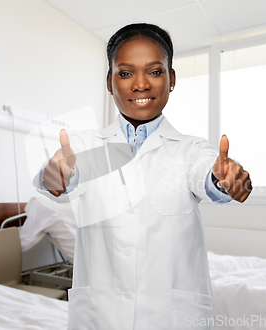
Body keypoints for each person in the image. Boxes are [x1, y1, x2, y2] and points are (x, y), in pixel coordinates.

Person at [38, 23, 252, 330]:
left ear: (171, 79)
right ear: (109, 82)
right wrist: (58, 176)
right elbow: (71, 171)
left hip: (170, 318)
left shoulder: (190, 149)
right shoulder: (84, 145)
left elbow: (205, 173)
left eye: (154, 71)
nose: (140, 84)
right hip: (101, 316)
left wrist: (224, 179)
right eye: (125, 73)